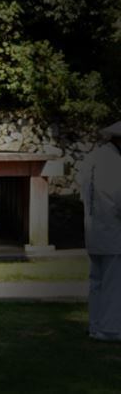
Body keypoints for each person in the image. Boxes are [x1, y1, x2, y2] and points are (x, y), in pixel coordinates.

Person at [77, 120, 121, 342]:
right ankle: (110, 328)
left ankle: (95, 325)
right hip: (113, 232)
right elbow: (116, 200)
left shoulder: (94, 157)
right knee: (113, 283)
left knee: (97, 281)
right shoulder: (114, 162)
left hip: (94, 229)